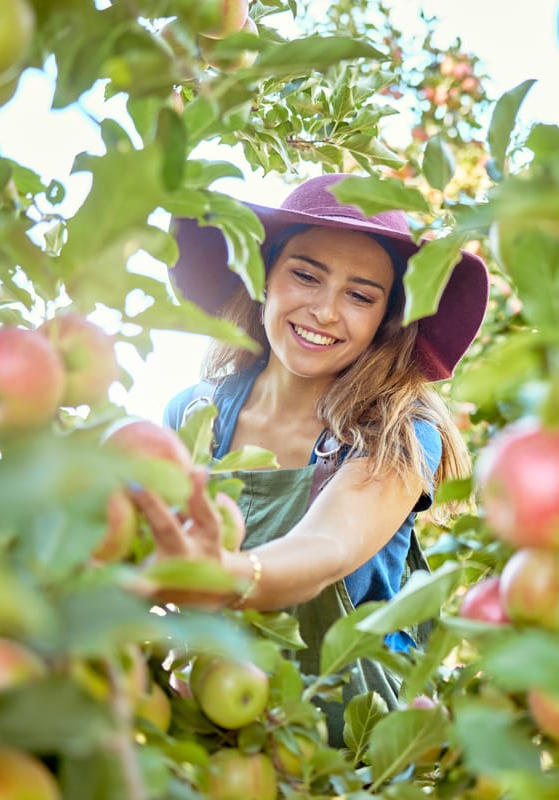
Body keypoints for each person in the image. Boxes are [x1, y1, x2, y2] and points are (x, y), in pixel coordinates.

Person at [131, 172, 489, 744]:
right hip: (210, 733)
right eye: (305, 275)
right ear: (264, 277)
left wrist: (230, 576)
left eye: (360, 295)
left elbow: (329, 546)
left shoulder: (397, 429)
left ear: (385, 318)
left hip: (347, 753)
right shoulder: (193, 415)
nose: (324, 311)